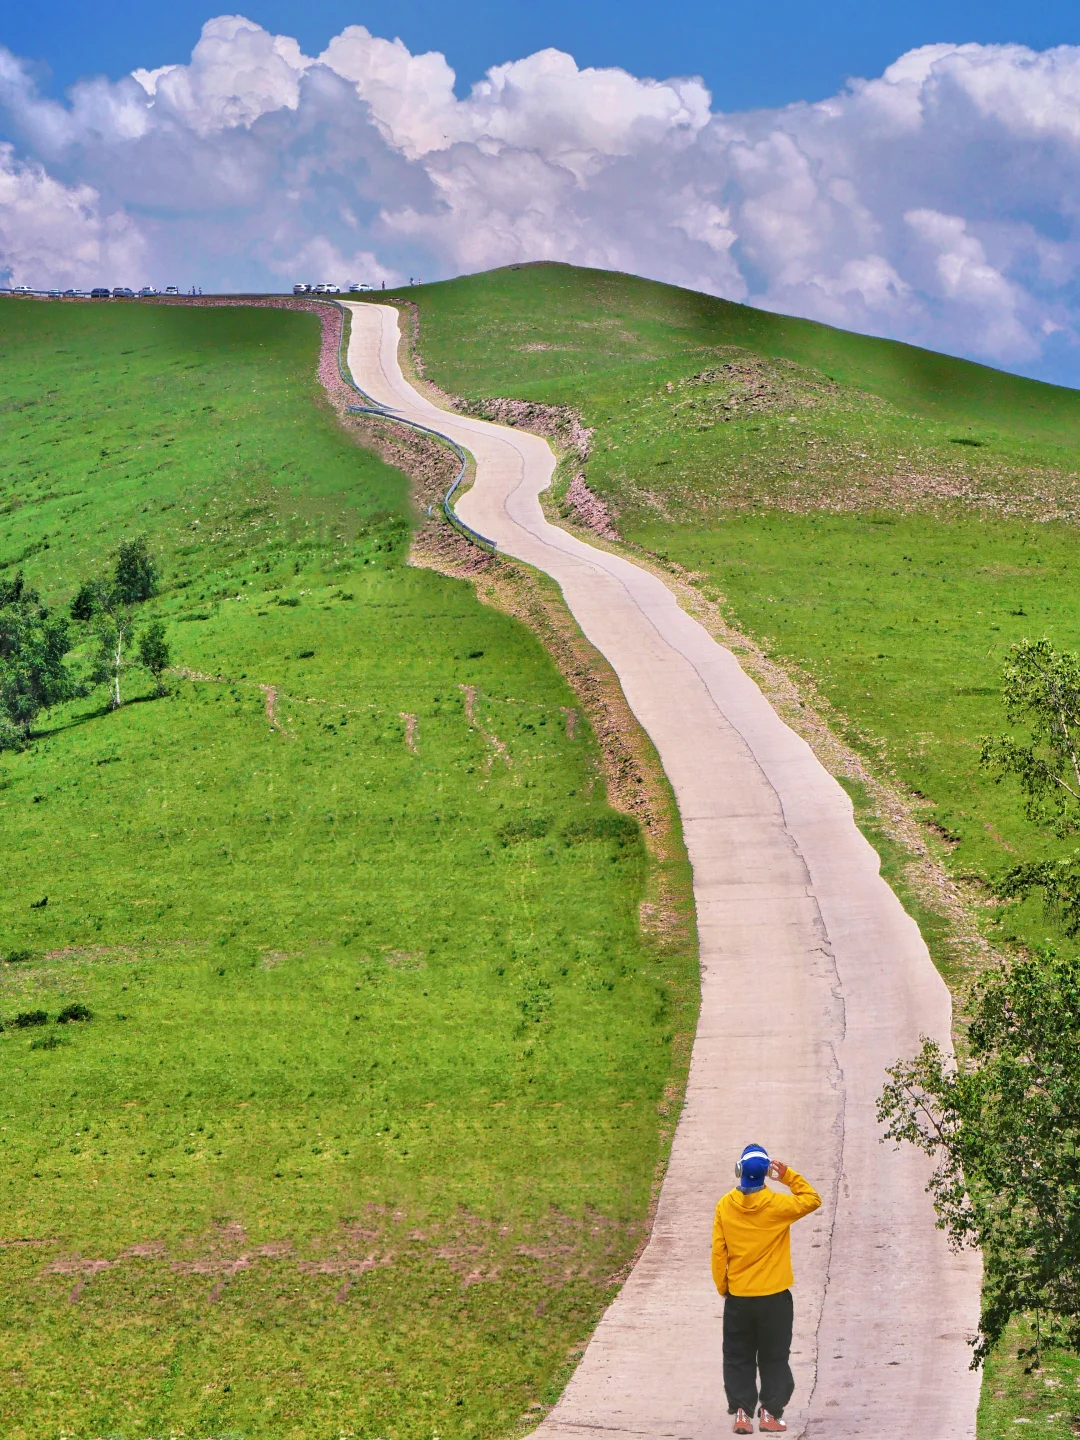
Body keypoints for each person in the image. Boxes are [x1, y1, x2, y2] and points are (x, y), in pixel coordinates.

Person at [712, 1144, 821, 1434]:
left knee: (738, 1357)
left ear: (739, 1171)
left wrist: (725, 1287)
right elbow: (812, 1199)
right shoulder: (778, 1206)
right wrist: (788, 1177)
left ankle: (741, 1413)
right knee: (774, 1358)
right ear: (765, 1175)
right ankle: (770, 1415)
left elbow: (718, 1253)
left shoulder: (725, 1205)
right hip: (774, 1299)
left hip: (739, 1298)